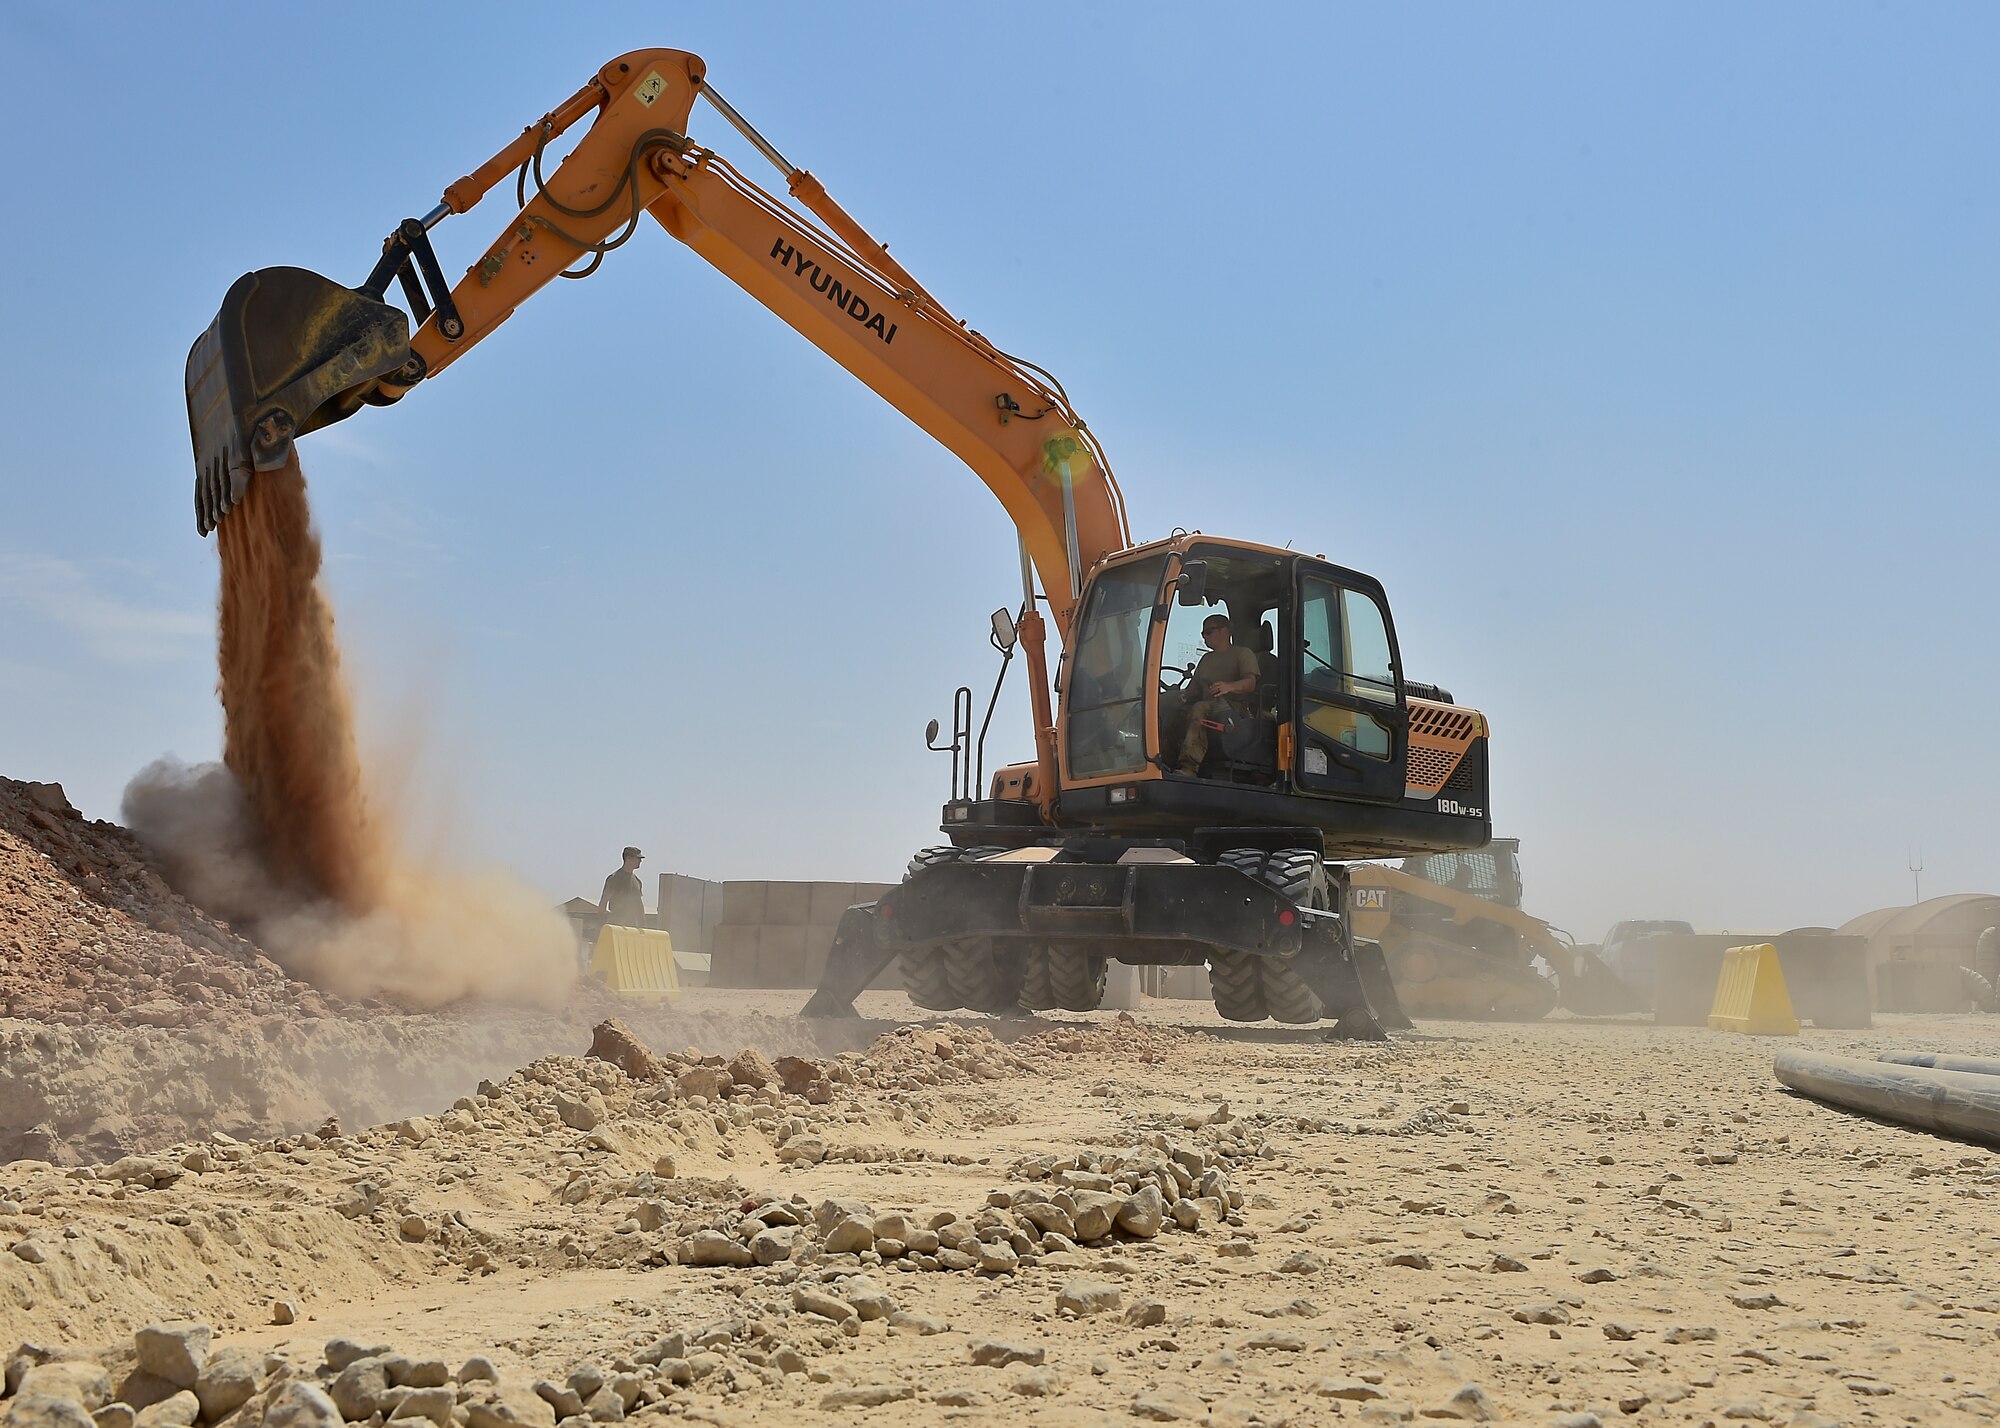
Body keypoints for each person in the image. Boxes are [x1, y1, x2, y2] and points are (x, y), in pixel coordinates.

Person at [1176, 613, 1261, 775]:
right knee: (1172, 710)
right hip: (1210, 707)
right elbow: (1192, 689)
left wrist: (1229, 686)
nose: (1205, 637)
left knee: (1199, 708)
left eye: (1208, 632)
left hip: (1234, 709)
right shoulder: (1206, 659)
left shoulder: (1243, 654)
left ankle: (1188, 767)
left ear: (1225, 631)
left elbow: (1250, 683)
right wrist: (1177, 696)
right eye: (1203, 634)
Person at [600, 846, 646, 927]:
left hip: (631, 924)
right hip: (616, 922)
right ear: (628, 858)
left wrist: (642, 924)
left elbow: (639, 905)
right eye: (638, 858)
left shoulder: (637, 882)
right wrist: (601, 924)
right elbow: (603, 902)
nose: (640, 861)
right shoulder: (614, 878)